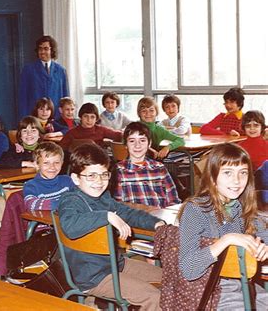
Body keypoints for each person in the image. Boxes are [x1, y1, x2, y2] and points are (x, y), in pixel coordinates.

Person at [58, 143, 165, 310]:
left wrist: (156, 223)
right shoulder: (71, 200)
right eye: (91, 176)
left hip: (116, 264)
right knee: (154, 297)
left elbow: (128, 213)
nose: (99, 181)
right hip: (93, 277)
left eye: (103, 175)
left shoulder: (103, 198)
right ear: (76, 178)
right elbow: (70, 226)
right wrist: (107, 216)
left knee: (172, 279)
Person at [178, 143, 268, 309]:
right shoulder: (195, 210)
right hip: (209, 291)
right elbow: (188, 269)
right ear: (213, 177)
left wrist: (264, 248)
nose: (237, 181)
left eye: (243, 173)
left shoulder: (241, 206)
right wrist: (226, 240)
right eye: (228, 173)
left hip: (243, 286)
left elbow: (265, 235)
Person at [112, 122, 180, 208]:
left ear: (149, 143)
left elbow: (173, 201)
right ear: (125, 144)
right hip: (134, 219)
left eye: (142, 140)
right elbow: (118, 205)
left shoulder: (159, 168)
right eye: (132, 141)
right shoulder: (119, 170)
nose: (137, 145)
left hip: (162, 217)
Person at [18, 36, 69, 119]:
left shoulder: (61, 70)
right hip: (34, 117)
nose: (42, 52)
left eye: (46, 49)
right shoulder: (28, 69)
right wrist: (25, 118)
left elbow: (65, 97)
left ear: (52, 50)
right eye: (40, 49)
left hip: (56, 117)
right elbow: (23, 97)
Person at [23, 142, 73, 211]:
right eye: (46, 163)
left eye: (56, 163)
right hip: (45, 221)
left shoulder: (67, 180)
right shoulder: (31, 185)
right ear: (37, 165)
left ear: (62, 163)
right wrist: (63, 203)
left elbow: (81, 197)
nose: (52, 167)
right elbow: (31, 204)